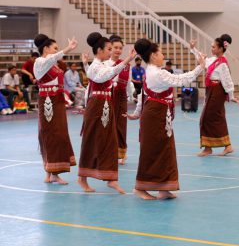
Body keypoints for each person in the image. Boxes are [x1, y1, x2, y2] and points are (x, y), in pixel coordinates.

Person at [125, 38, 205, 200]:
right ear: (153, 55)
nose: (163, 56)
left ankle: (164, 187)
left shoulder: (152, 71)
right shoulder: (157, 73)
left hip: (160, 114)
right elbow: (182, 80)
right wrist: (200, 67)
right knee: (151, 151)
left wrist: (137, 112)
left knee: (165, 150)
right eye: (161, 53)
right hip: (155, 114)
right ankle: (140, 188)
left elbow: (142, 95)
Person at [77, 32, 136, 194]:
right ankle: (82, 177)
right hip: (96, 105)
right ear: (100, 50)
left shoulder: (101, 65)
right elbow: (108, 74)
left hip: (106, 104)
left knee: (109, 140)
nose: (111, 52)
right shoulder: (96, 67)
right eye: (109, 49)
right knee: (91, 141)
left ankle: (111, 179)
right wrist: (126, 60)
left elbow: (110, 73)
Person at [33, 34, 77, 184]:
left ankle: (50, 171)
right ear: (46, 48)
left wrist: (67, 99)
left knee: (56, 134)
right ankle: (53, 173)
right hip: (48, 102)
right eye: (55, 48)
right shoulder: (40, 62)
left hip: (57, 101)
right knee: (51, 135)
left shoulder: (51, 64)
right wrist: (67, 49)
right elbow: (51, 59)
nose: (57, 51)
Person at [190, 34, 239, 157]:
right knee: (218, 118)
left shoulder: (222, 63)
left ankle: (209, 148)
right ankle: (225, 146)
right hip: (211, 91)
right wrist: (193, 48)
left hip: (217, 92)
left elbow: (227, 81)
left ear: (221, 49)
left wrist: (231, 96)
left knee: (206, 118)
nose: (211, 49)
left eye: (213, 47)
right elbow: (202, 60)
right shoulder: (213, 60)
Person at [104, 34, 133, 165]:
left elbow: (128, 82)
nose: (118, 50)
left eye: (120, 48)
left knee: (121, 125)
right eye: (115, 47)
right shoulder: (104, 64)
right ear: (110, 48)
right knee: (108, 124)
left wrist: (130, 96)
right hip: (108, 96)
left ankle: (121, 153)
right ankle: (108, 152)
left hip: (121, 97)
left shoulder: (126, 64)